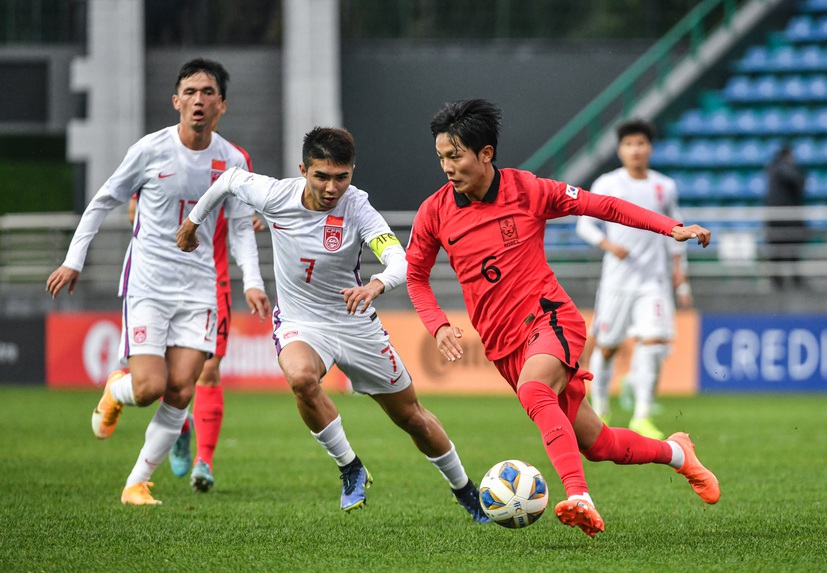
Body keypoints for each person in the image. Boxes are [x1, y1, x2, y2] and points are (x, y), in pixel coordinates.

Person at [405, 99, 720, 538]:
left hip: (551, 319)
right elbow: (416, 277)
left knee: (537, 391)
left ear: (486, 154)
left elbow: (603, 206)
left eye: (455, 156)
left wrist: (671, 228)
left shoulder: (528, 190)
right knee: (598, 444)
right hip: (504, 347)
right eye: (441, 157)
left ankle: (580, 497)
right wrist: (438, 325)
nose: (446, 167)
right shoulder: (434, 212)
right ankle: (678, 453)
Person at [176, 127, 491, 522]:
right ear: (303, 170)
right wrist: (191, 223)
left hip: (356, 324)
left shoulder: (357, 208)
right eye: (321, 176)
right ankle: (350, 467)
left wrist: (376, 284)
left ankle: (465, 489)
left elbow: (399, 260)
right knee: (301, 380)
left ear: (352, 172)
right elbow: (227, 180)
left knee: (410, 416)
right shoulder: (275, 195)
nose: (331, 187)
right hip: (300, 322)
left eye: (341, 177)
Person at [46, 58, 271, 506]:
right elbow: (102, 201)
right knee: (148, 388)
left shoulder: (233, 160)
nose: (198, 100)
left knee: (182, 388)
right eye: (190, 92)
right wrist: (74, 260)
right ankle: (117, 387)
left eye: (208, 92)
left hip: (201, 288)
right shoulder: (150, 150)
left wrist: (253, 281)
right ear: (175, 101)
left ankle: (136, 483)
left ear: (221, 105)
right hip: (149, 284)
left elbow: (243, 227)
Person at [128, 193, 266, 494]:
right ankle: (181, 424)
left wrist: (243, 221)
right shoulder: (161, 156)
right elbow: (133, 212)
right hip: (160, 285)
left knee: (209, 369)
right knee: (164, 377)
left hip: (212, 282)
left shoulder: (230, 164)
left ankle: (204, 461)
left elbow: (242, 216)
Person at [575, 119, 693, 440]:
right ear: (620, 150)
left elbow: (673, 232)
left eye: (641, 144)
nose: (635, 150)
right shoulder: (607, 184)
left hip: (653, 281)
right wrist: (608, 244)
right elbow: (584, 225)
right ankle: (600, 409)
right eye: (629, 145)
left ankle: (641, 415)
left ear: (649, 148)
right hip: (616, 281)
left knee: (654, 342)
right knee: (608, 347)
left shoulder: (664, 186)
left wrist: (681, 279)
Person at [764, 145, 807, 289]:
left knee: (783, 250)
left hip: (778, 218)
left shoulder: (772, 169)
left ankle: (782, 281)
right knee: (786, 249)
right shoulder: (782, 167)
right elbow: (798, 180)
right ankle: (785, 281)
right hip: (783, 219)